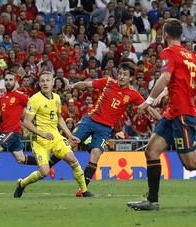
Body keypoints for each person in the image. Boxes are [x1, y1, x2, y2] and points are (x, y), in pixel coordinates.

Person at [128, 18, 196, 211]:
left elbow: (166, 77)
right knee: (151, 151)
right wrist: (168, 92)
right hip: (172, 113)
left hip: (181, 113)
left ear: (165, 34)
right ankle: (152, 200)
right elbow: (182, 82)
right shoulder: (191, 55)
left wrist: (147, 101)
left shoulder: (168, 52)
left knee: (190, 164)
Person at [65, 62, 161, 197]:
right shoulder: (108, 82)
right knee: (70, 144)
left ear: (130, 78)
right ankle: (48, 165)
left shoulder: (133, 94)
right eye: (120, 73)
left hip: (105, 129)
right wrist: (72, 85)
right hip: (90, 120)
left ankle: (83, 189)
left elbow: (149, 108)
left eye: (125, 75)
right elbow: (87, 85)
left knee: (96, 154)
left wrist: (163, 122)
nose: (121, 77)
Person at [0, 73, 58, 190]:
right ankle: (46, 164)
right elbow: (0, 113)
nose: (8, 82)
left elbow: (36, 104)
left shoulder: (20, 96)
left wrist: (43, 118)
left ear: (15, 81)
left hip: (12, 131)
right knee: (21, 159)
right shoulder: (3, 97)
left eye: (11, 80)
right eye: (6, 80)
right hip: (8, 131)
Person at [13, 72, 93, 198]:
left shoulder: (56, 98)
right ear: (39, 83)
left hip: (55, 137)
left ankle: (84, 191)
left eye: (48, 80)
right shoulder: (34, 99)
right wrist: (42, 134)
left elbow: (59, 118)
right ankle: (22, 184)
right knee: (44, 172)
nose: (45, 83)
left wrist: (69, 135)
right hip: (40, 140)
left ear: (52, 82)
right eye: (43, 81)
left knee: (72, 159)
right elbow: (26, 122)